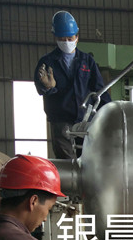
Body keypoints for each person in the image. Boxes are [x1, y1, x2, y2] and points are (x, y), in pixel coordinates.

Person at [34, 11, 111, 159]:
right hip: (61, 120)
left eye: (70, 38)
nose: (66, 42)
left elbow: (100, 90)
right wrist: (49, 87)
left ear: (77, 37)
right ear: (55, 37)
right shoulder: (47, 62)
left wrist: (111, 111)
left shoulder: (87, 61)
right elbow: (40, 88)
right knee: (66, 163)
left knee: (89, 160)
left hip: (86, 119)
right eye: (62, 39)